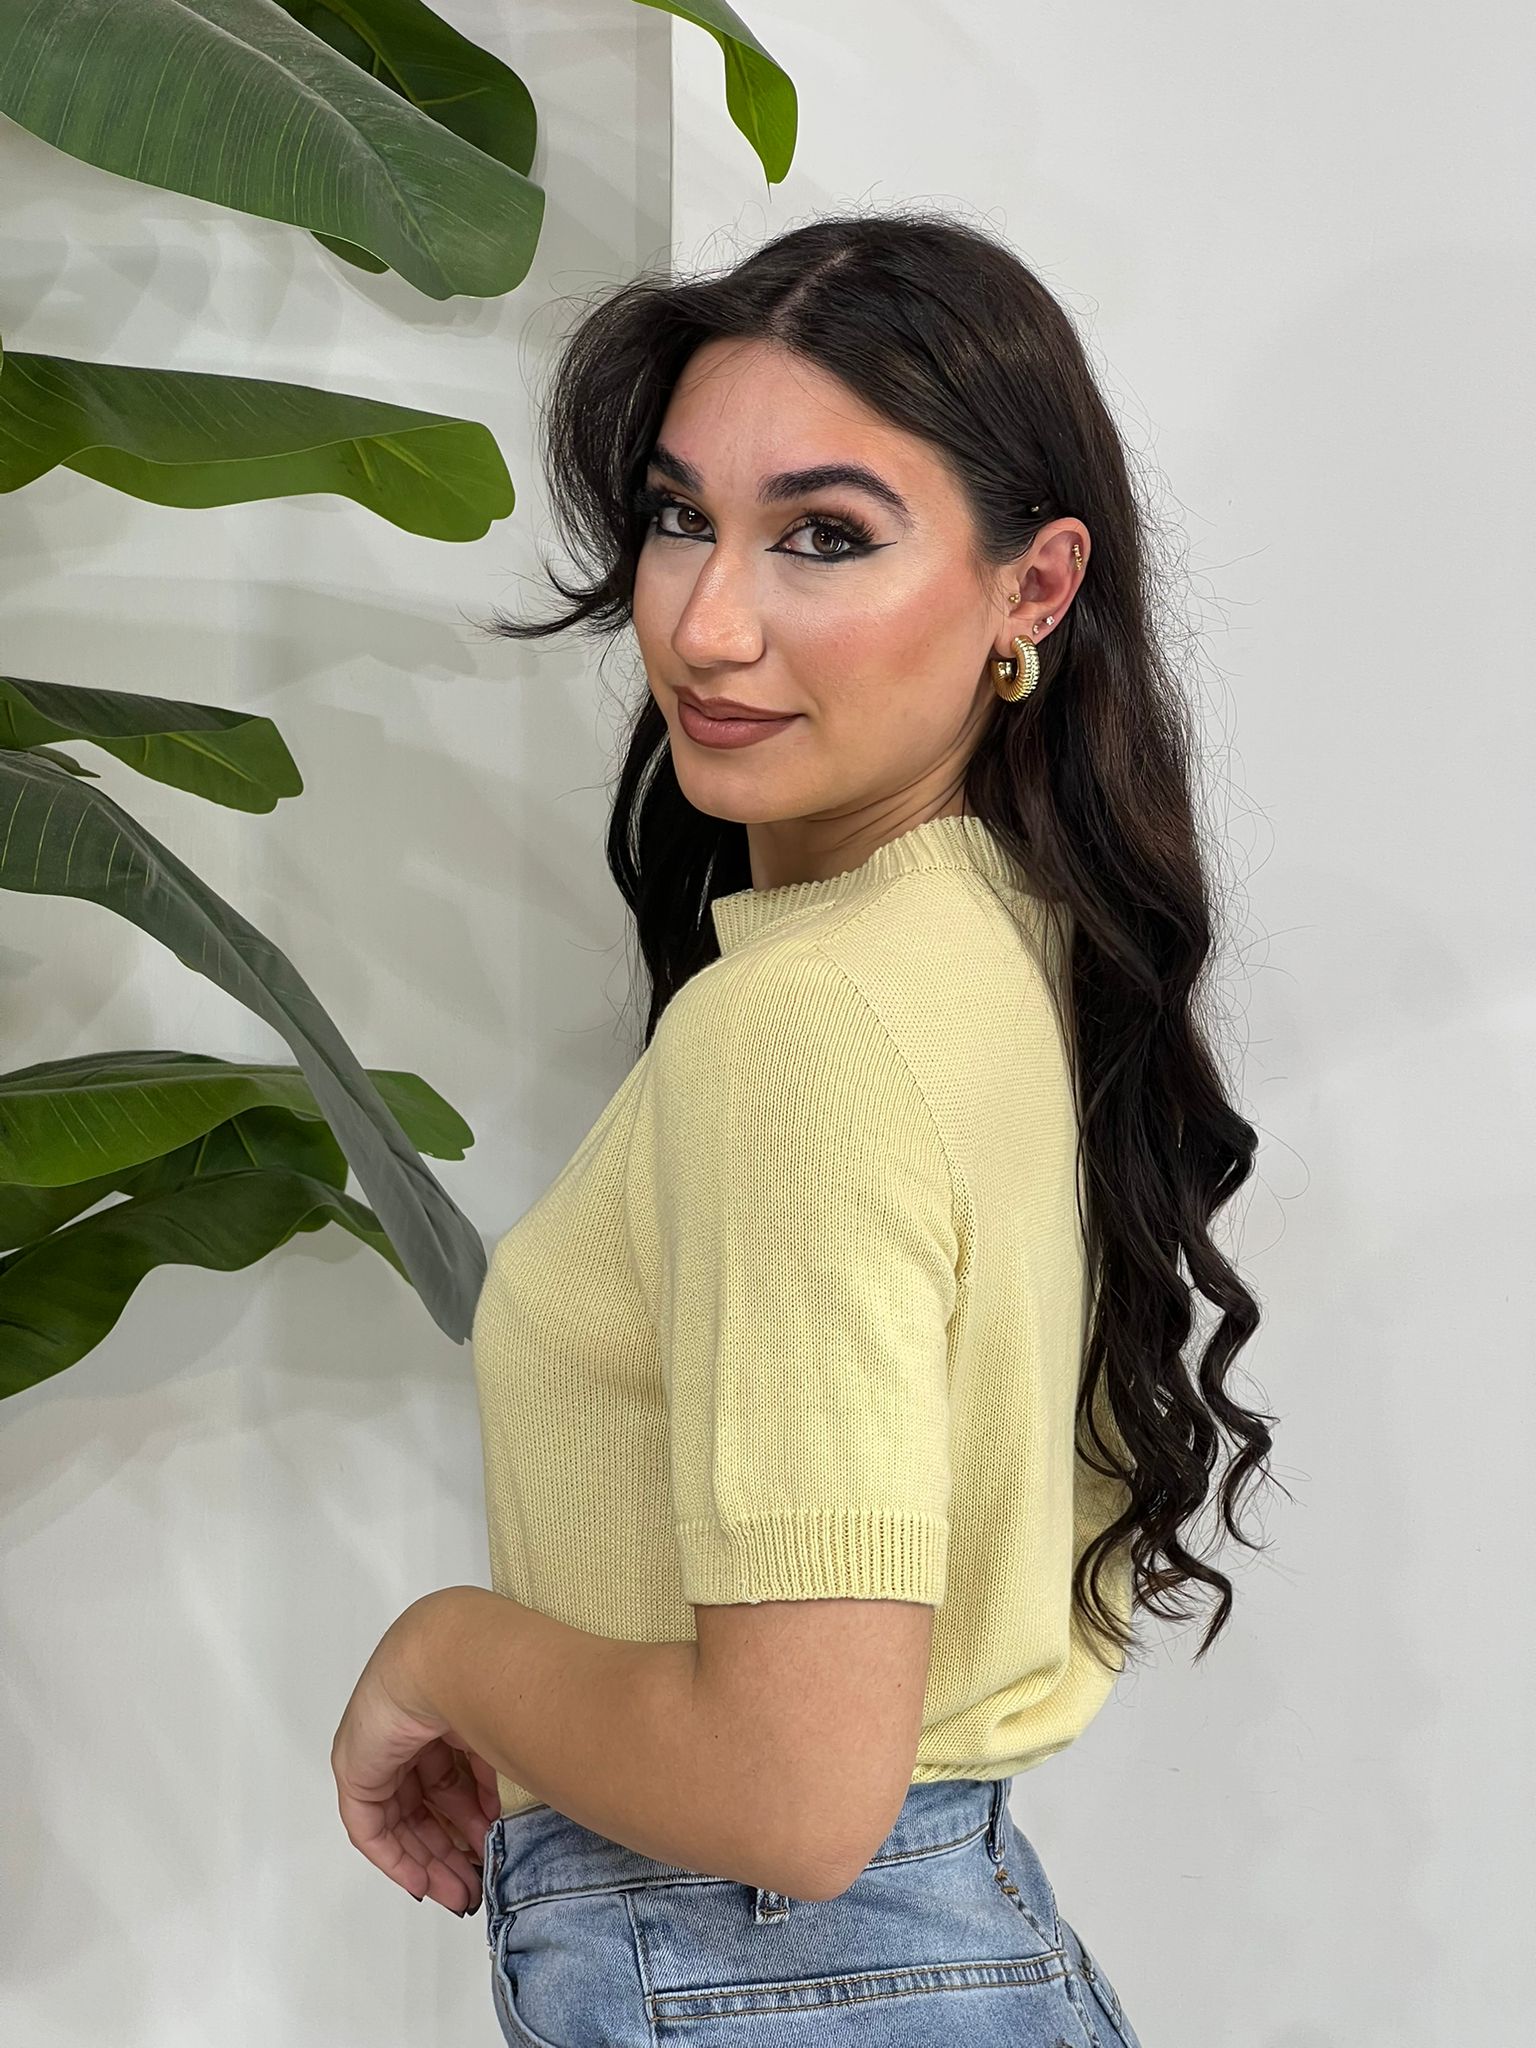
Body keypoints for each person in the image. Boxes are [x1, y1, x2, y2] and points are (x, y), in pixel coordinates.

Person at [360, 209, 1275, 2048]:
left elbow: (789, 1793)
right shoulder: (997, 942)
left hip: (771, 1971)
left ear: (1033, 589)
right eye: (679, 516)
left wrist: (444, 1650)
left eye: (825, 537)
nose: (707, 624)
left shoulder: (806, 1023)